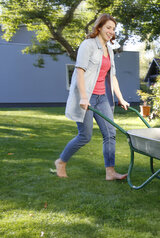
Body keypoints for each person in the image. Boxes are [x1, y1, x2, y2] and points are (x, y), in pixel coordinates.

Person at [54, 14, 129, 180]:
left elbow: (113, 76)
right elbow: (79, 70)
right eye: (108, 27)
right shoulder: (87, 45)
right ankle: (61, 161)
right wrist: (83, 97)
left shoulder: (109, 49)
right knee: (85, 136)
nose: (111, 31)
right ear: (99, 27)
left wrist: (121, 98)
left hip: (103, 97)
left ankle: (110, 172)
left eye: (113, 29)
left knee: (110, 134)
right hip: (87, 96)